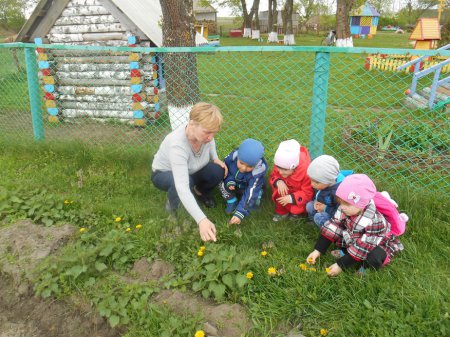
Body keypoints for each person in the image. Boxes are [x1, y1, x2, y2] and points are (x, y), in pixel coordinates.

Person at [151, 102, 227, 242]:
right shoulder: (177, 145)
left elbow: (211, 142)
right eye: (207, 132)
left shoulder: (205, 135)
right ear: (192, 124)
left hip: (191, 169)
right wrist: (202, 220)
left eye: (214, 132)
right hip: (163, 173)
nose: (211, 137)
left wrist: (215, 158)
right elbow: (182, 186)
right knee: (183, 184)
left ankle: (199, 191)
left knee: (218, 171)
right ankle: (174, 208)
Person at [306, 174, 404, 277]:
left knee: (374, 257)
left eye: (346, 204)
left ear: (362, 204)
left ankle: (365, 267)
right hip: (356, 237)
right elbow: (333, 227)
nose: (342, 207)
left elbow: (363, 246)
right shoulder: (345, 209)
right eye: (340, 203)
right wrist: (318, 250)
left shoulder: (374, 221)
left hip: (375, 244)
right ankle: (346, 251)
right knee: (339, 233)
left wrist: (340, 265)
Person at [219, 138, 267, 225]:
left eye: (249, 166)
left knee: (254, 196)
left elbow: (251, 192)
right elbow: (226, 172)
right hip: (234, 184)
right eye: (241, 163)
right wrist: (230, 181)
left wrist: (240, 213)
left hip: (248, 188)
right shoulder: (231, 159)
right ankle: (231, 201)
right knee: (221, 181)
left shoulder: (257, 173)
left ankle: (247, 207)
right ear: (238, 157)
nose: (244, 168)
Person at [269, 139, 314, 221]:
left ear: (294, 167)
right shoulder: (281, 165)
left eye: (285, 170)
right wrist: (278, 181)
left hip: (298, 195)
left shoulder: (306, 171)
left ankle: (296, 213)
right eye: (278, 168)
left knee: (299, 204)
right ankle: (282, 211)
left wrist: (291, 198)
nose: (280, 172)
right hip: (285, 191)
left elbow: (307, 193)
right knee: (279, 190)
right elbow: (273, 175)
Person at [306, 155, 344, 227]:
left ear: (328, 180)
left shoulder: (338, 193)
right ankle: (312, 221)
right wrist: (316, 202)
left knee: (319, 217)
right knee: (309, 206)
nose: (312, 184)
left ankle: (326, 229)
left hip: (332, 215)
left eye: (316, 182)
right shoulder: (324, 183)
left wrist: (325, 208)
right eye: (311, 180)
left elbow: (340, 213)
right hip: (321, 205)